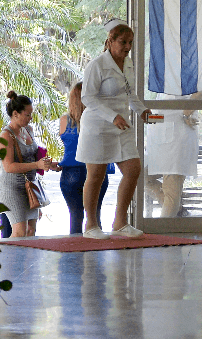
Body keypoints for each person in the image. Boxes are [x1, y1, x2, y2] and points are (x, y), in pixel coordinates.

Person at [76, 19, 152, 239]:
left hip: (122, 125)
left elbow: (130, 94)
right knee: (97, 175)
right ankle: (91, 226)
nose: (127, 47)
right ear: (110, 41)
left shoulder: (127, 64)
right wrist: (112, 116)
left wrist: (143, 111)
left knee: (133, 169)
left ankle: (120, 222)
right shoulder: (96, 65)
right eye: (123, 42)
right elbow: (87, 97)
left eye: (130, 42)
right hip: (98, 125)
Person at [0, 91, 52, 238]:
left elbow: (33, 157)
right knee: (19, 232)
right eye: (27, 115)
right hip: (12, 189)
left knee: (30, 231)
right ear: (15, 114)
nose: (30, 118)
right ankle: (11, 261)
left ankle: (27, 261)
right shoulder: (6, 136)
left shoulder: (28, 130)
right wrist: (37, 165)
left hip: (30, 187)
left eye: (31, 114)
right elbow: (8, 167)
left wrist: (48, 164)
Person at [58, 81, 110, 234]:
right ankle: (95, 254)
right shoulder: (100, 118)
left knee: (75, 217)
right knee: (95, 217)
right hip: (97, 169)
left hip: (71, 173)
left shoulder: (65, 121)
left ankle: (75, 254)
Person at [145, 91, 202, 217]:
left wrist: (187, 113)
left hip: (177, 139)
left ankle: (165, 229)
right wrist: (148, 118)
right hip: (160, 141)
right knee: (141, 177)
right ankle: (177, 210)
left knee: (171, 189)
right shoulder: (164, 82)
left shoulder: (188, 75)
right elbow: (163, 115)